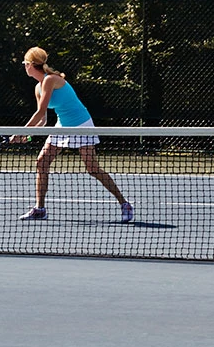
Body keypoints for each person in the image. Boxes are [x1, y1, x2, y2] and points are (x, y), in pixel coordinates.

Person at [12, 46, 133, 222]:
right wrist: (28, 135)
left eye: (25, 63)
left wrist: (19, 132)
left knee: (92, 168)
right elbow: (43, 120)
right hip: (62, 125)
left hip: (81, 124)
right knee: (42, 162)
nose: (24, 66)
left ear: (31, 64)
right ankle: (40, 208)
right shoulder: (38, 88)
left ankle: (124, 203)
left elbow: (40, 112)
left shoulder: (50, 80)